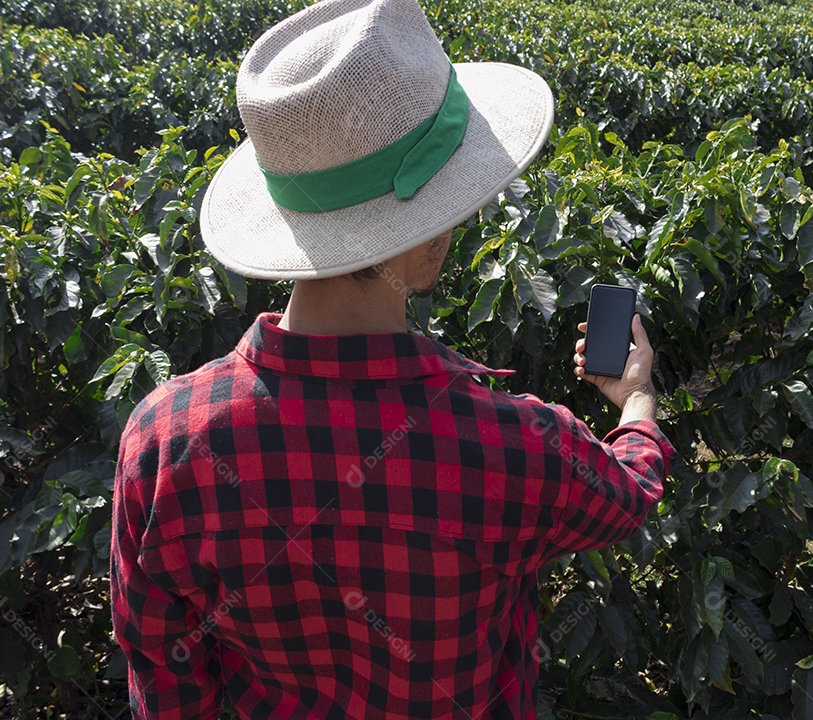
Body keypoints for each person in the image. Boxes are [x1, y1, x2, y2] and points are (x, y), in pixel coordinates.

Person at [109, 0, 675, 716]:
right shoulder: (519, 447)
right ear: (427, 234)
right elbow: (625, 501)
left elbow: (163, 672)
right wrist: (636, 401)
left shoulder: (163, 438)